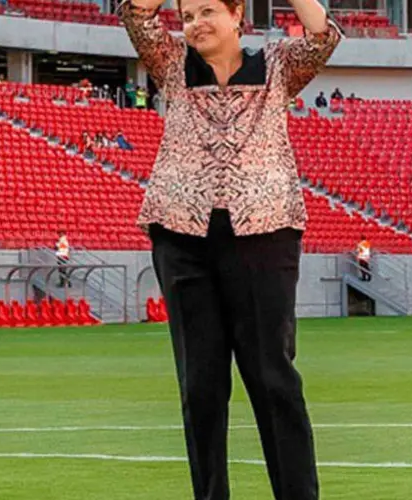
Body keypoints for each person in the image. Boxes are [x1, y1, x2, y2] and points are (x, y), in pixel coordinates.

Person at [120, 0, 341, 498]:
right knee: (200, 386)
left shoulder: (279, 67)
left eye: (206, 11)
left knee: (273, 378)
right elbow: (137, 12)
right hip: (181, 234)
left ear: (238, 14)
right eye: (187, 15)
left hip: (264, 233)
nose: (195, 24)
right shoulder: (171, 64)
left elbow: (320, 31)